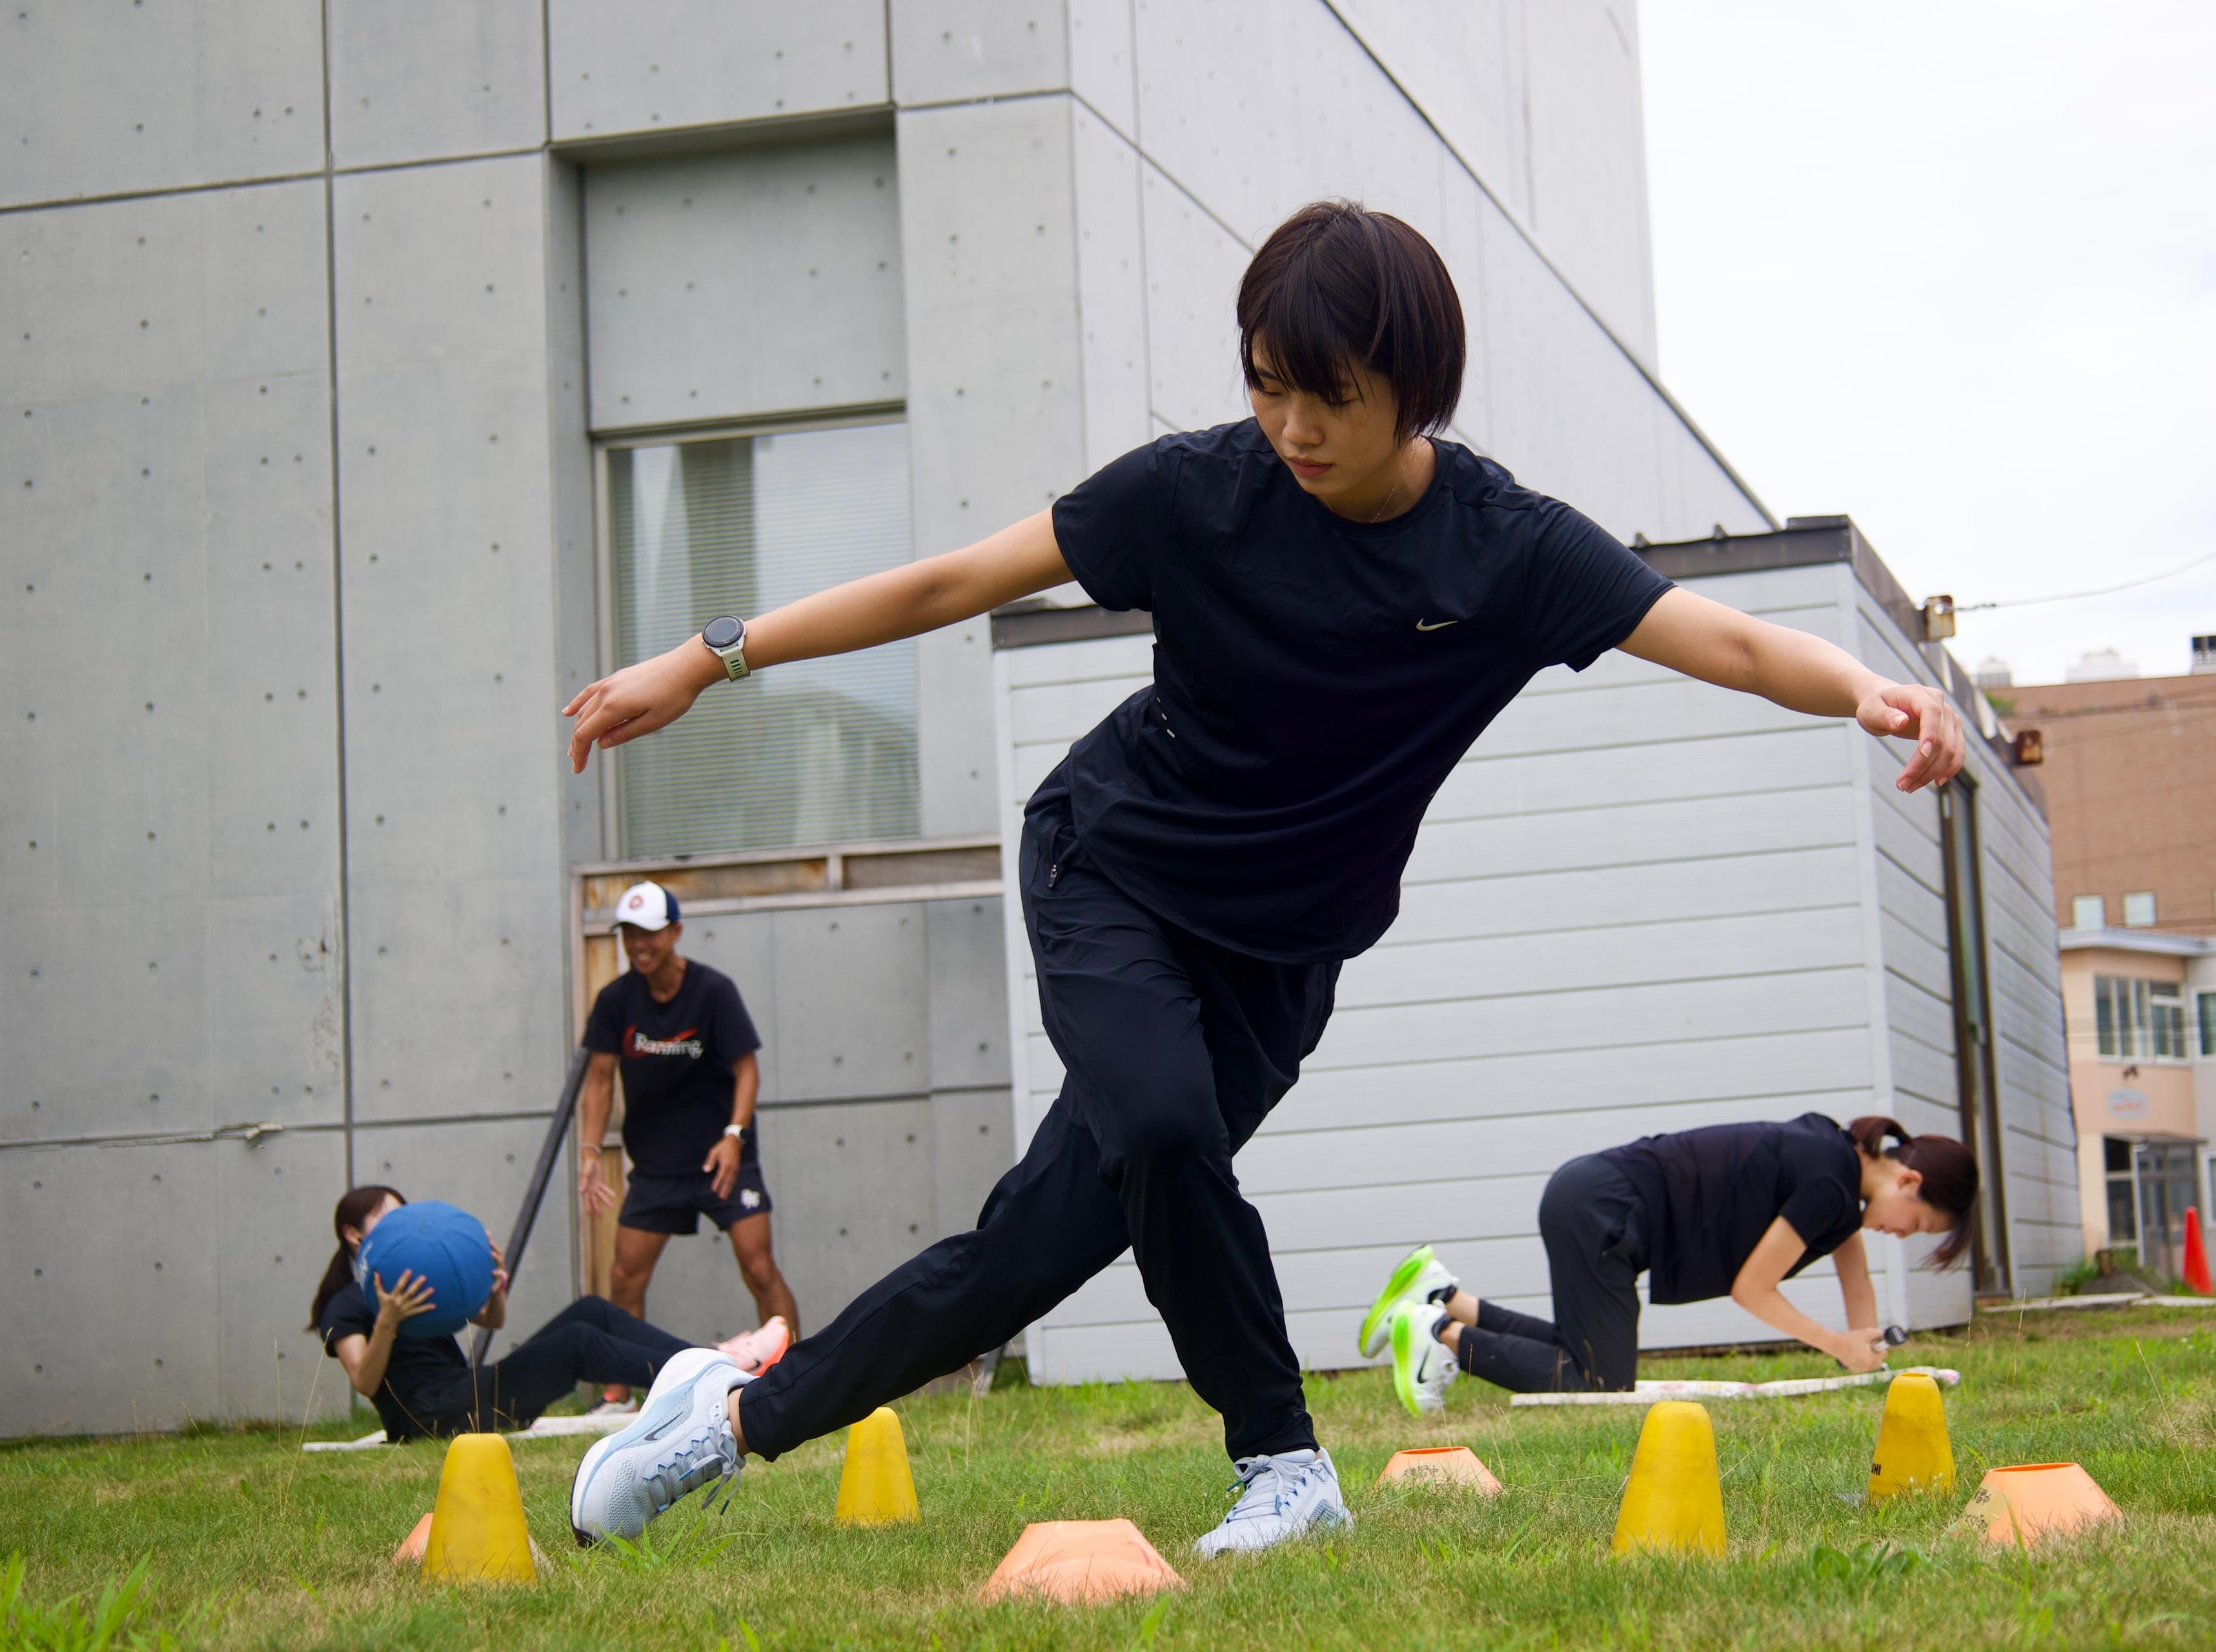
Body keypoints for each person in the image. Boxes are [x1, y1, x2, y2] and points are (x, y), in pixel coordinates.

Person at [556, 199, 1967, 1555]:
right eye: (1267, 388)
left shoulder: (1506, 548)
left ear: (1416, 390)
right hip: (1112, 868)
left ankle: (723, 1420)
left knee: (1020, 1257)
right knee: (1164, 1123)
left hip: (1274, 965)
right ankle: (1284, 1461)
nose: (1292, 428)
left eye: (1331, 397)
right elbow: (955, 581)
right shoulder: (1195, 492)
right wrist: (707, 653)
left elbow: (1712, 634)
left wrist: (1867, 689)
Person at [1361, 1115, 1980, 1415]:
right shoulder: (1831, 1182)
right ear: (1909, 1179)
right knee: (1599, 1382)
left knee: (1580, 1352)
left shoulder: (1839, 1168)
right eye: (1919, 1223)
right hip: (1605, 1210)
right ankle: (1438, 1336)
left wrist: (1868, 1352)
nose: (1905, 1235)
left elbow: (1856, 1276)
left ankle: (1444, 1299)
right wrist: (1835, 1345)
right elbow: (1753, 1289)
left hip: (1596, 1199)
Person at [309, 1185, 784, 1440]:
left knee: (591, 1310)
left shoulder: (414, 1278)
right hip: (428, 1420)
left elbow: (490, 1321)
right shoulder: (348, 1302)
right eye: (389, 1220)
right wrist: (387, 1321)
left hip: (464, 1394)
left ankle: (709, 1359)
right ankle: (711, 1370)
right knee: (576, 1343)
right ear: (356, 1236)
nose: (401, 1226)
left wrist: (494, 1287)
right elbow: (364, 1382)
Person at [577, 879, 800, 1390]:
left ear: (676, 932)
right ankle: (620, 1394)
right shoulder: (615, 1000)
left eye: (649, 934)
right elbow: (598, 1082)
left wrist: (734, 1134)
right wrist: (590, 1152)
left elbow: (748, 1071)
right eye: (629, 934)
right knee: (623, 1278)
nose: (638, 945)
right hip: (657, 1165)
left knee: (760, 1266)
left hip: (724, 1157)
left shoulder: (713, 991)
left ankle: (797, 1381)